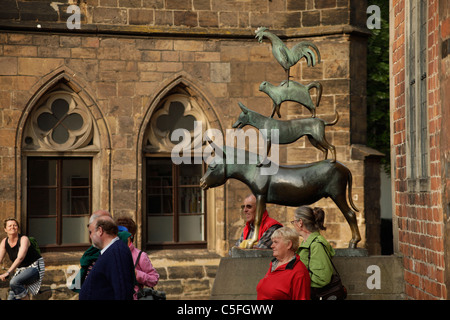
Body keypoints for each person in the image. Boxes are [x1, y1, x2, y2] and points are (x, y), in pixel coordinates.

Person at [79, 215, 135, 300]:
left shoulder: (117, 252)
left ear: (100, 230)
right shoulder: (111, 251)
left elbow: (122, 291)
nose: (90, 236)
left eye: (91, 232)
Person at [292, 206, 335, 299]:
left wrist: (296, 279)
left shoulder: (316, 244)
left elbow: (322, 278)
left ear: (300, 223)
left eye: (294, 221)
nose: (293, 225)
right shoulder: (307, 242)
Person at [256, 227, 310, 300]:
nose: (272, 246)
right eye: (272, 242)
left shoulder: (299, 273)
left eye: (276, 242)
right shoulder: (274, 264)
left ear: (289, 244)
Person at [0, 218, 45, 300]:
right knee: (11, 298)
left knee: (14, 282)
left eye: (15, 225)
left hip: (34, 267)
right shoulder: (4, 242)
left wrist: (8, 272)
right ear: (5, 229)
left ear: (18, 228)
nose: (12, 227)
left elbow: (20, 258)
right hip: (21, 270)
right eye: (9, 226)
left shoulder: (24, 239)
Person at [116, 217, 159, 300]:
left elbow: (154, 279)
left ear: (130, 235)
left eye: (122, 233)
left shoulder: (140, 256)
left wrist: (137, 274)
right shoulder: (111, 253)